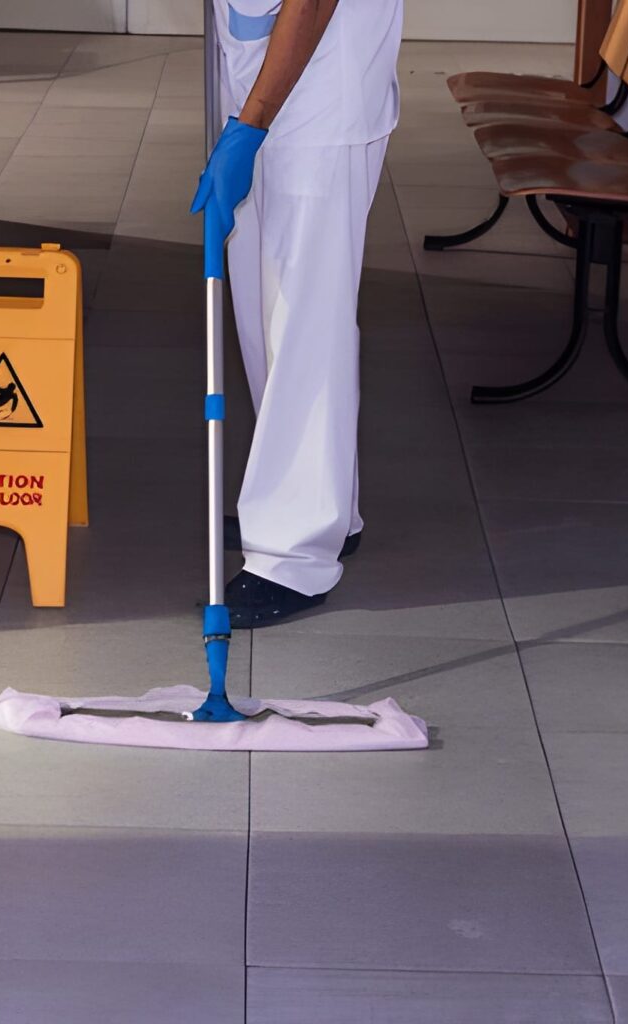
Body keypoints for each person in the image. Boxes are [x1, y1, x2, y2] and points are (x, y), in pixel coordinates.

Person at [192, 0, 404, 628]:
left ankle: (293, 553)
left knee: (306, 321)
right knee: (264, 313)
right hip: (264, 81)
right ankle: (318, 503)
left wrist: (250, 124)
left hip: (317, 101)